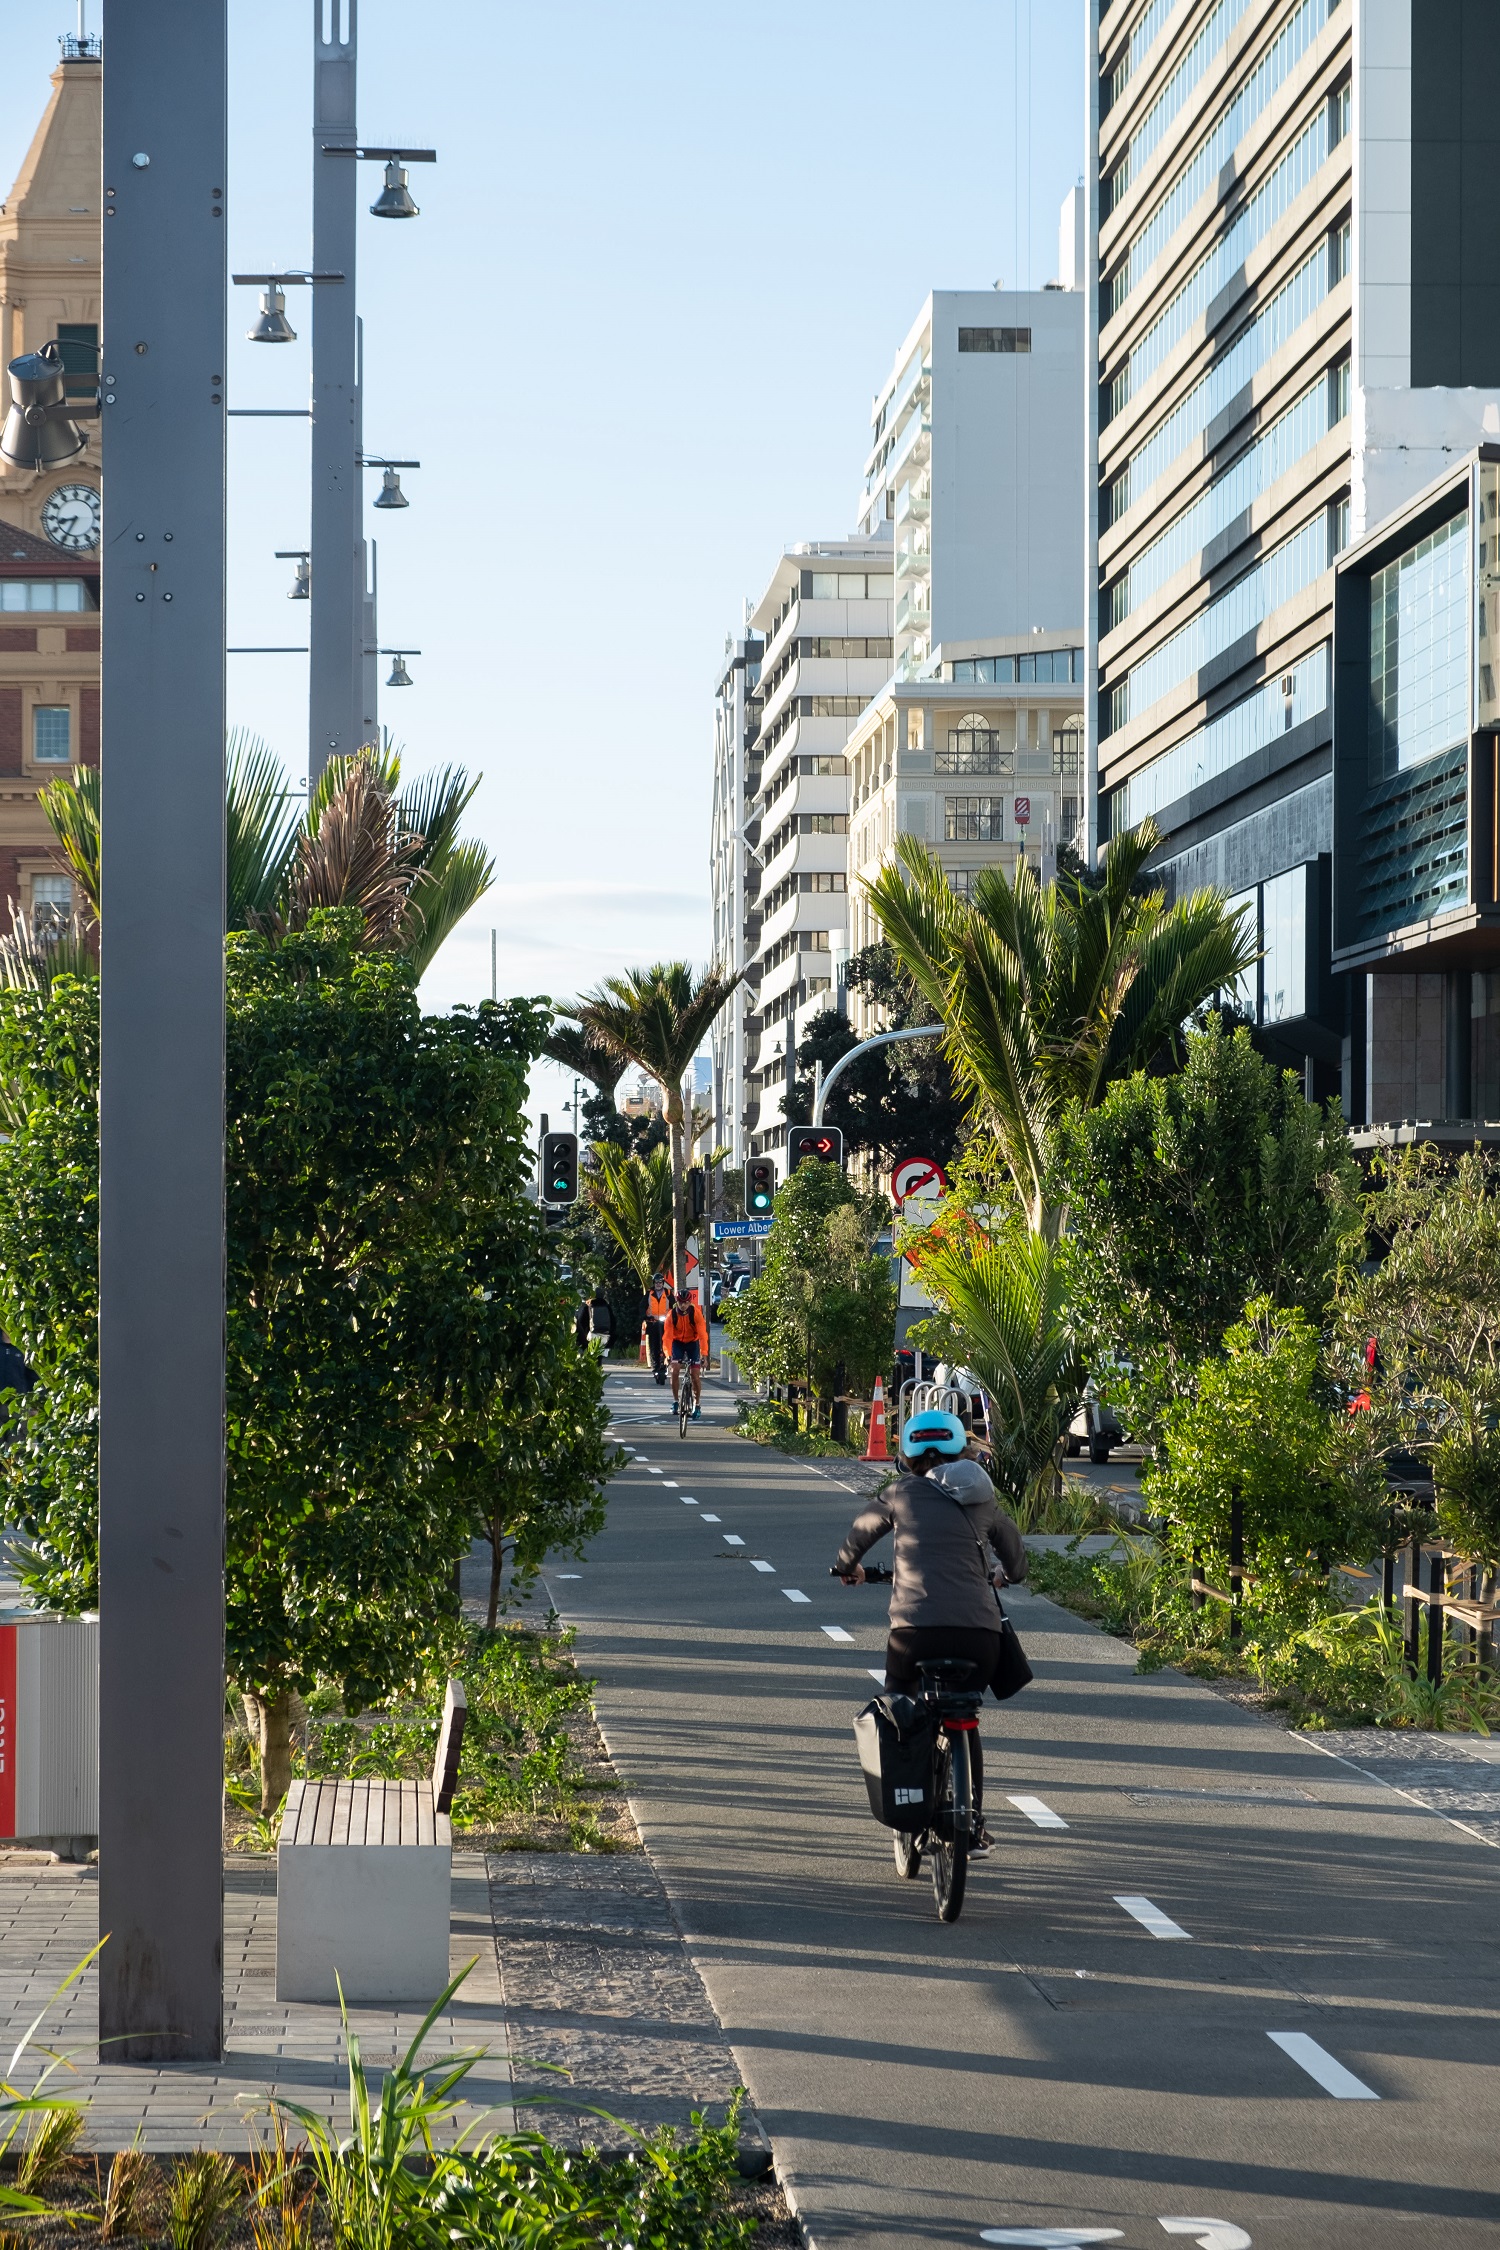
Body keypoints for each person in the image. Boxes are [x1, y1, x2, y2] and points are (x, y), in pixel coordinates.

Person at [833, 1407, 1029, 1855]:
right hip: (980, 1639)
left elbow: (859, 1535)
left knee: (898, 1701)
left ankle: (909, 1799)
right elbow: (1015, 1558)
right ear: (961, 1448)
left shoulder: (900, 1493)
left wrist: (848, 1567)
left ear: (906, 1454)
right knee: (966, 1715)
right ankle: (972, 1820)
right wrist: (1003, 1573)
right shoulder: (983, 1497)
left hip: (914, 1632)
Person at [664, 1285, 708, 1417]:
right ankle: (676, 1401)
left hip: (692, 1343)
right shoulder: (671, 1315)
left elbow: (702, 1335)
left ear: (690, 1302)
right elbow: (667, 1337)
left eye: (686, 1303)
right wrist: (667, 1355)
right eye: (681, 1302)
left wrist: (704, 1354)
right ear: (677, 1302)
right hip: (677, 1343)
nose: (683, 1305)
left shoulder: (696, 1313)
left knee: (695, 1374)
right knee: (675, 1369)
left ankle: (697, 1403)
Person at [645, 1272, 672, 1385]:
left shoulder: (668, 1294)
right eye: (656, 1282)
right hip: (653, 1324)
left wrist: (672, 1317)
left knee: (666, 1344)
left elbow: (674, 1307)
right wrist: (645, 1316)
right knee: (654, 1346)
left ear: (663, 1283)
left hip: (665, 1324)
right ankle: (656, 1367)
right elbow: (642, 1307)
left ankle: (666, 1364)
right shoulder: (649, 1294)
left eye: (660, 1282)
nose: (658, 1284)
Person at [585, 1289, 614, 1357]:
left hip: (594, 1332)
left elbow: (585, 1321)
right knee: (601, 1356)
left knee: (592, 1356)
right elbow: (612, 1320)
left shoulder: (590, 1306)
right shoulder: (607, 1306)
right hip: (605, 1333)